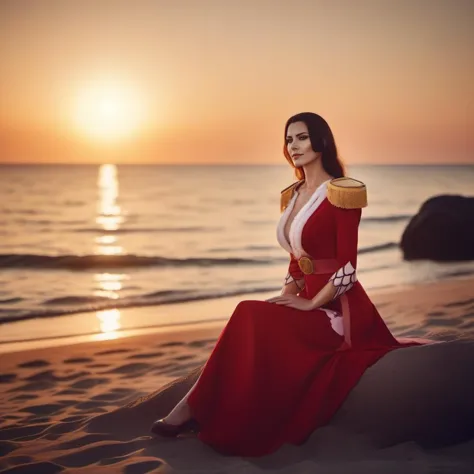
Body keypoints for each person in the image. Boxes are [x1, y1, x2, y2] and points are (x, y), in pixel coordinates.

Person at [150, 112, 422, 456]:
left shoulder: (343, 193)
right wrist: (286, 298)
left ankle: (188, 411)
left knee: (245, 311)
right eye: (289, 139)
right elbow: (297, 260)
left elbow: (348, 268)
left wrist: (310, 304)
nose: (294, 146)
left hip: (339, 313)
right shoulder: (293, 195)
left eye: (303, 137)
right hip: (305, 301)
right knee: (255, 315)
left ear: (321, 142)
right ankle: (194, 409)